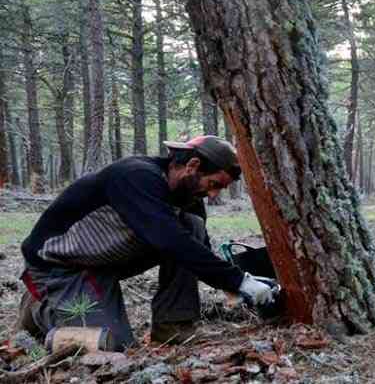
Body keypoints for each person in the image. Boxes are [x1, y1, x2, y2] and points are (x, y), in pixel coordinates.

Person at [16, 135, 276, 350]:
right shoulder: (135, 176)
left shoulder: (188, 197)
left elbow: (196, 249)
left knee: (191, 226)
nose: (212, 194)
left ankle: (174, 326)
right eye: (214, 184)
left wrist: (236, 288)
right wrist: (238, 280)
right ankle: (39, 310)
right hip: (62, 267)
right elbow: (169, 240)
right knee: (111, 345)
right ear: (193, 165)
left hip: (104, 260)